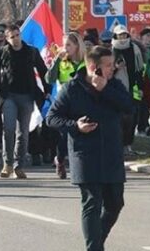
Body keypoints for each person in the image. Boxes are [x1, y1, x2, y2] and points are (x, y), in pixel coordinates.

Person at [46, 46, 133, 251]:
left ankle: (96, 242)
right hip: (85, 154)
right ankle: (94, 248)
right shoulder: (72, 88)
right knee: (92, 203)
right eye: (108, 65)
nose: (113, 69)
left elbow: (129, 107)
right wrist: (75, 126)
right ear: (94, 67)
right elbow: (52, 118)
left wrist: (105, 89)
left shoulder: (115, 85)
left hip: (111, 152)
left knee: (115, 204)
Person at [0, 23, 50, 178]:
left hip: (27, 95)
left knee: (23, 132)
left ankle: (18, 165)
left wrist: (47, 91)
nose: (15, 39)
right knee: (8, 129)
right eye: (12, 37)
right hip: (9, 96)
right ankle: (7, 164)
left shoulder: (31, 52)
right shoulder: (3, 52)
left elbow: (43, 71)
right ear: (7, 39)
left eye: (17, 35)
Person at [45, 32, 86, 179]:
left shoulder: (85, 61)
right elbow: (49, 79)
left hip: (81, 102)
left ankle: (80, 164)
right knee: (64, 135)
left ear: (77, 46)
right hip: (64, 102)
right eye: (64, 44)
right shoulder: (62, 62)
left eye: (69, 44)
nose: (66, 48)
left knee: (80, 133)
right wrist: (56, 60)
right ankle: (60, 160)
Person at [110, 25, 145, 154]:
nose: (122, 38)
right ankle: (118, 144)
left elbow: (138, 70)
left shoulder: (134, 49)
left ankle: (128, 144)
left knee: (131, 117)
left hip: (131, 88)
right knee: (118, 118)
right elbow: (107, 72)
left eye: (124, 35)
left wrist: (140, 87)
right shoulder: (112, 50)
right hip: (115, 89)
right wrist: (116, 68)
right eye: (120, 35)